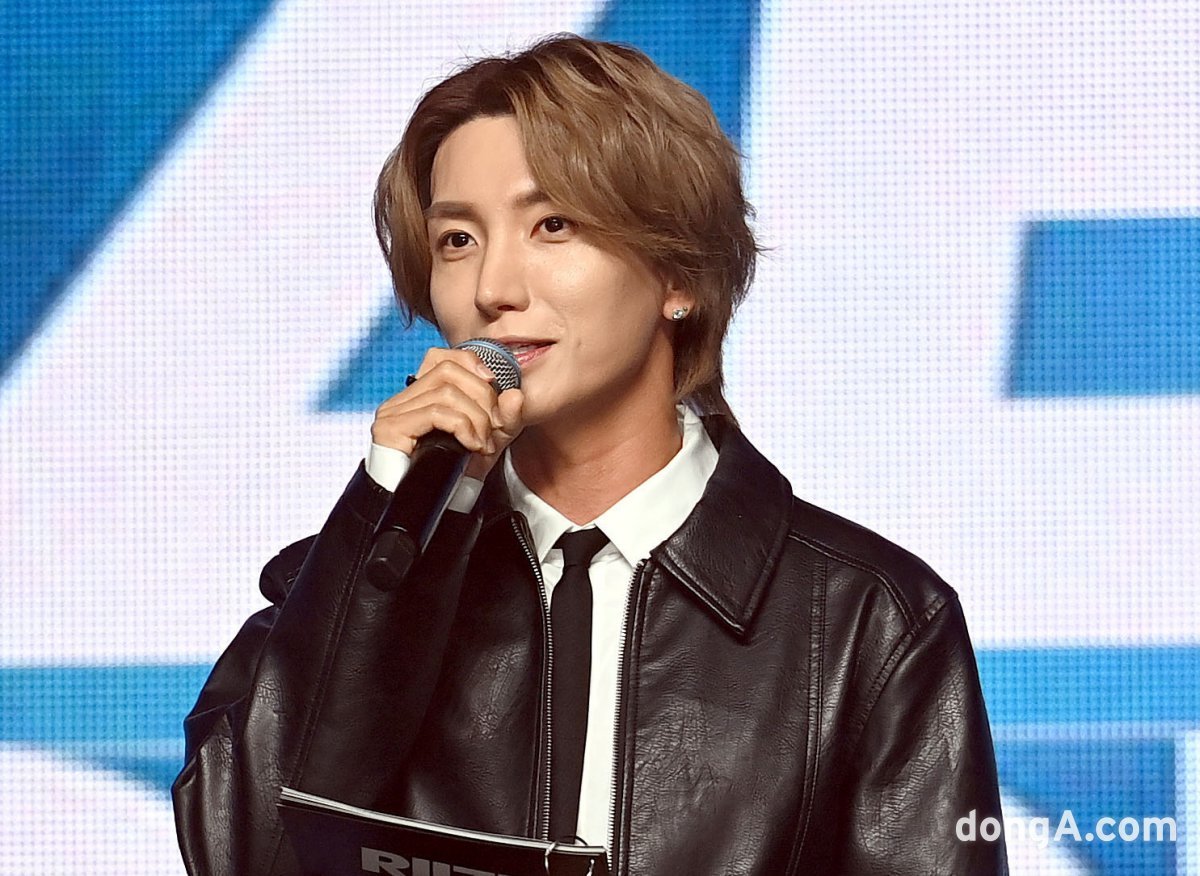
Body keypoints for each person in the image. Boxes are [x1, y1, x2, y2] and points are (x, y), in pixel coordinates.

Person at [172, 34, 1008, 875]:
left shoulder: (867, 618)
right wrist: (388, 513)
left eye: (553, 225)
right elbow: (241, 853)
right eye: (457, 239)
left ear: (679, 275)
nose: (494, 287)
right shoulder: (347, 586)